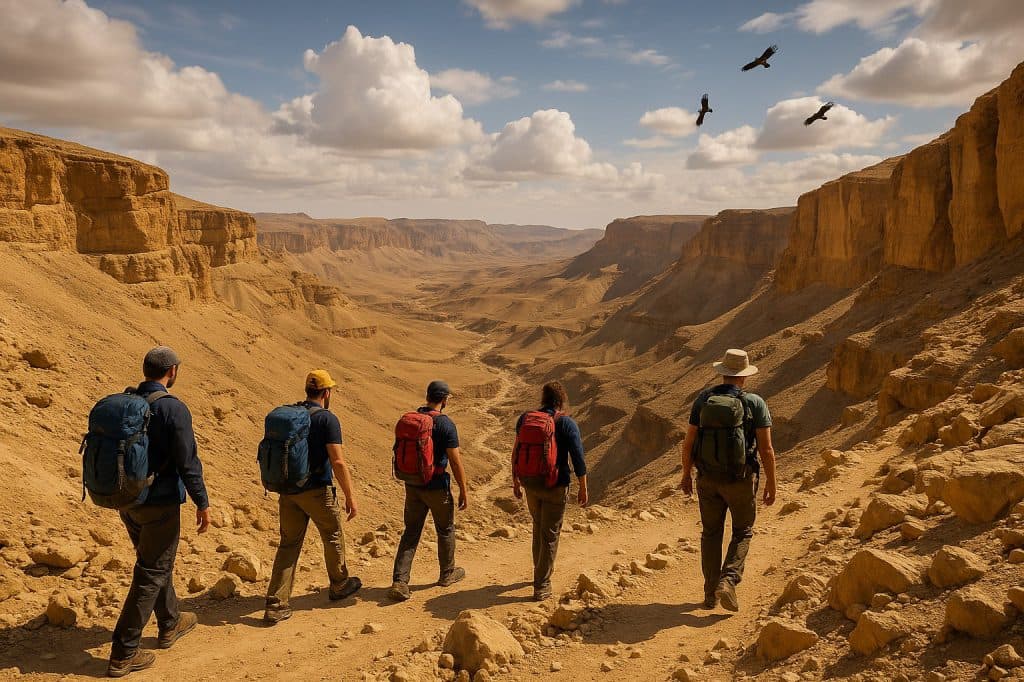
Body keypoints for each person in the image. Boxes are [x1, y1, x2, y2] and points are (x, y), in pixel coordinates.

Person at [108, 346, 211, 678]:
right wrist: (202, 502)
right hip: (160, 503)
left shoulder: (129, 402)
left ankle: (170, 622)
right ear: (173, 372)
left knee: (154, 561)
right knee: (151, 570)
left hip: (127, 500)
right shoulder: (171, 409)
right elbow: (187, 461)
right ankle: (123, 653)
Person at [680, 348, 777, 612]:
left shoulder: (703, 400)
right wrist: (771, 482)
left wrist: (686, 474)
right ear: (744, 377)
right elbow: (766, 449)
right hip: (740, 480)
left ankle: (710, 593)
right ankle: (729, 580)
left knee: (711, 533)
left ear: (723, 373)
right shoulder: (754, 403)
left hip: (707, 479)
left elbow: (688, 443)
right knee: (743, 531)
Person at [263, 370, 362, 624]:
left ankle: (276, 603)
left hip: (289, 491)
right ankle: (339, 584)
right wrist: (350, 496)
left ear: (307, 390)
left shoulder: (293, 415)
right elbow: (337, 461)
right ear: (327, 393)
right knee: (332, 534)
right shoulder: (327, 420)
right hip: (317, 490)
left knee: (288, 544)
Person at [388, 381, 469, 601]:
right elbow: (455, 460)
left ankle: (400, 581)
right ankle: (447, 573)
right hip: (436, 486)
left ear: (427, 397)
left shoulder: (411, 420)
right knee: (445, 529)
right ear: (444, 400)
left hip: (413, 485)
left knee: (411, 532)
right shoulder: (445, 424)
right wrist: (463, 488)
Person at [513, 381, 588, 601]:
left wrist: (515, 480)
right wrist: (583, 487)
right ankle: (542, 585)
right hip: (555, 485)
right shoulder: (566, 423)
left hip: (530, 483)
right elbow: (578, 459)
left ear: (543, 398)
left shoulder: (526, 418)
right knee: (550, 535)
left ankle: (539, 570)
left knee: (538, 526)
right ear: (561, 400)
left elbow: (516, 450)